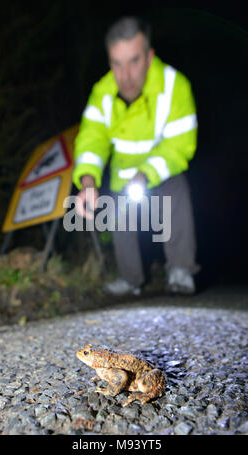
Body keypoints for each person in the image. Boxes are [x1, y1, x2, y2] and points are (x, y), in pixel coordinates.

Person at [72, 16, 200, 296]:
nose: (125, 75)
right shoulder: (101, 92)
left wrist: (146, 174)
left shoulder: (175, 86)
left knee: (177, 184)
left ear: (149, 56)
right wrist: (88, 183)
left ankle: (180, 269)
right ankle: (131, 280)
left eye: (134, 61)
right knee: (117, 204)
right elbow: (91, 140)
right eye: (116, 63)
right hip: (124, 180)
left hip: (160, 173)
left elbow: (180, 146)